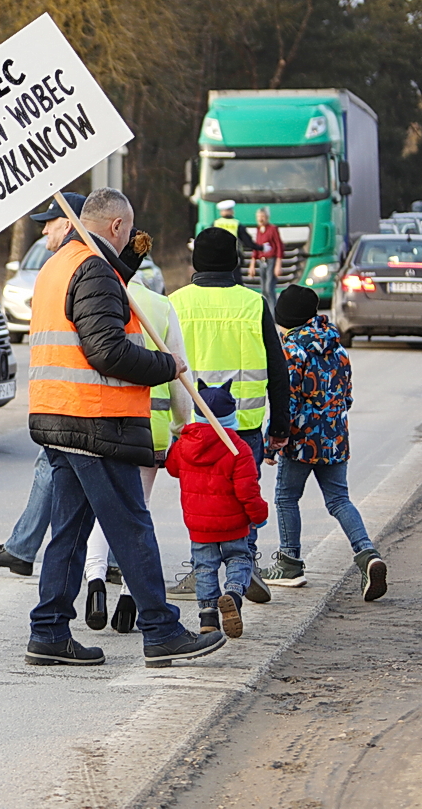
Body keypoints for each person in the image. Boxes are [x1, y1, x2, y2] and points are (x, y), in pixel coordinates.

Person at [24, 187, 223, 669]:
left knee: (69, 530)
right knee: (131, 526)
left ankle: (49, 630)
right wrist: (165, 364)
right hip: (95, 418)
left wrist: (122, 268)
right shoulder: (92, 268)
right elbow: (107, 350)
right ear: (115, 226)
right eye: (128, 230)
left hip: (59, 415)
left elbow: (93, 312)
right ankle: (161, 629)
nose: (133, 237)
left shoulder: (62, 263)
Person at [167, 226, 291, 604]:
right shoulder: (253, 304)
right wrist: (280, 426)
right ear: (236, 261)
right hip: (246, 426)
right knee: (242, 496)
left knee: (201, 498)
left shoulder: (176, 303)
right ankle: (244, 563)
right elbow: (277, 367)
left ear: (195, 262)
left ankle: (201, 570)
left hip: (192, 429)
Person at [82, 230, 191, 634]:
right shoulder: (160, 306)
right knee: (137, 514)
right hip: (152, 432)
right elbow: (179, 371)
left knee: (100, 511)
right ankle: (130, 597)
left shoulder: (98, 297)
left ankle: (95, 581)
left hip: (103, 422)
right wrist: (183, 426)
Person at [0, 193, 86, 578]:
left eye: (49, 221)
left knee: (110, 495)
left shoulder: (77, 267)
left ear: (68, 224)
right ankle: (23, 549)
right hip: (63, 396)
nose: (43, 229)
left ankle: (113, 567)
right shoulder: (64, 266)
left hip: (78, 399)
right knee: (52, 470)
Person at [260, 285, 387, 601]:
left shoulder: (292, 351)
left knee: (287, 497)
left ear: (285, 318)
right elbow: (348, 398)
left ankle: (289, 563)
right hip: (335, 439)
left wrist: (273, 442)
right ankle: (367, 554)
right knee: (339, 500)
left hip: (301, 442)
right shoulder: (339, 349)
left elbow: (285, 402)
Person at [166, 381, 269, 639]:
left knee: (203, 568)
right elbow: (248, 490)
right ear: (231, 416)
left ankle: (208, 618)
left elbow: (172, 468)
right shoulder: (238, 448)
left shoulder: (184, 444)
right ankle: (233, 593)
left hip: (199, 525)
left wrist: (178, 438)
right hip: (233, 523)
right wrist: (259, 515)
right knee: (239, 558)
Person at [213, 199, 259, 287]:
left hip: (217, 259)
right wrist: (261, 248)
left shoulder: (215, 223)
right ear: (232, 211)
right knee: (236, 282)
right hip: (233, 258)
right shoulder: (237, 224)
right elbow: (248, 242)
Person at [252, 207, 283, 306]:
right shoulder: (258, 230)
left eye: (263, 217)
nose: (261, 219)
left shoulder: (273, 229)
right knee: (263, 290)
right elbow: (256, 247)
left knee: (269, 288)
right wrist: (252, 264)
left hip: (271, 261)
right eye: (259, 217)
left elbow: (279, 246)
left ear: (267, 217)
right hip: (261, 261)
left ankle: (273, 313)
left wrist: (278, 264)